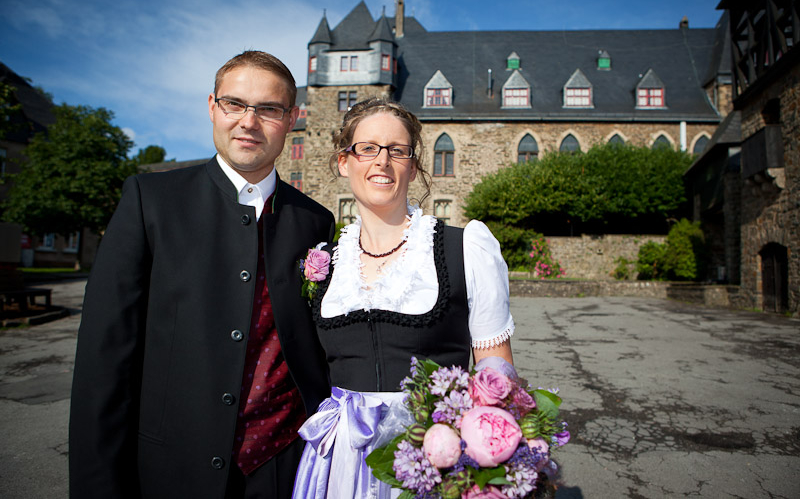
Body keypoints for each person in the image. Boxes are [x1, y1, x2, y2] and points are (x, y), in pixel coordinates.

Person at [69, 51, 335, 499]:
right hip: (171, 470)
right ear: (212, 107)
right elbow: (104, 361)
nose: (249, 121)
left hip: (284, 468)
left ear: (291, 119)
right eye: (235, 104)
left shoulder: (315, 221)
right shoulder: (150, 201)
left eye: (268, 109)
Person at [292, 98, 515, 497]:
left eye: (397, 150)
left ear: (412, 167)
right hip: (340, 463)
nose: (382, 161)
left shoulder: (465, 249)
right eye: (368, 148)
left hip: (434, 457)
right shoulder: (325, 262)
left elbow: (496, 372)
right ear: (345, 162)